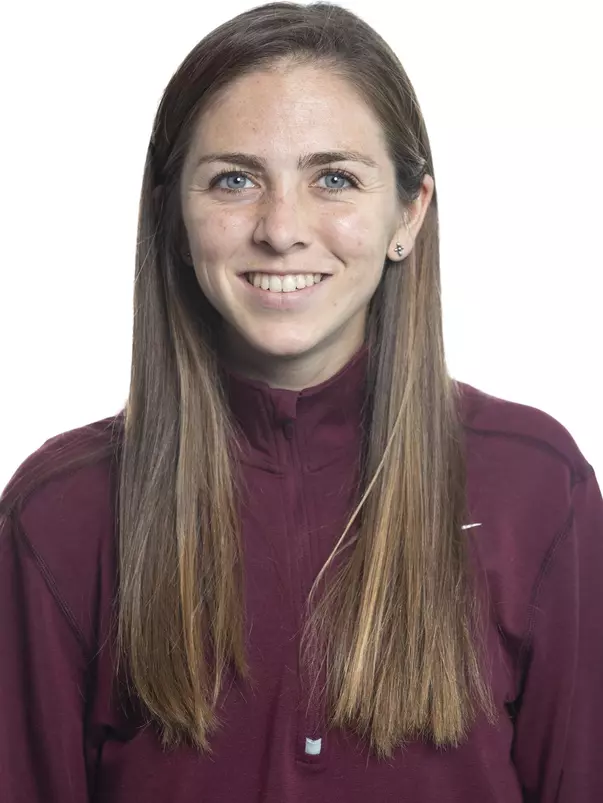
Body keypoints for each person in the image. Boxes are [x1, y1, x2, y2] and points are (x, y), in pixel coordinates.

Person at [1, 2, 601, 801]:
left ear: (409, 212)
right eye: (235, 179)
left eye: (334, 178)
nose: (281, 229)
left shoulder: (536, 487)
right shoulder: (60, 512)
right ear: (172, 214)